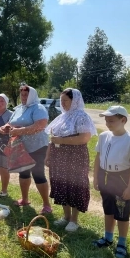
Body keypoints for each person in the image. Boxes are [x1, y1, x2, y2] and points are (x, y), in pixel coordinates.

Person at [45, 89, 97, 232]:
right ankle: (66, 217)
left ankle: (74, 220)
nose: (63, 104)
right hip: (58, 157)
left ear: (75, 101)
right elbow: (52, 138)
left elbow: (84, 138)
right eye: (61, 101)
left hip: (75, 157)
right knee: (62, 185)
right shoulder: (62, 117)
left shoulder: (81, 116)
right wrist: (48, 155)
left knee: (75, 185)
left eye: (66, 101)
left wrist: (62, 140)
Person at [92, 105, 130, 258]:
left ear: (123, 120)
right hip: (106, 177)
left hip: (122, 179)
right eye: (106, 120)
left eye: (111, 121)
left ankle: (122, 243)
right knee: (109, 210)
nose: (107, 124)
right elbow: (98, 157)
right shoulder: (104, 136)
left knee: (122, 213)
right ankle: (108, 237)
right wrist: (96, 177)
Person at [1, 85, 52, 214]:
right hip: (21, 146)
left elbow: (41, 125)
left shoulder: (38, 108)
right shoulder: (19, 109)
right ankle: (24, 199)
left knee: (38, 174)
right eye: (22, 95)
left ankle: (47, 205)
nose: (23, 97)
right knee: (23, 172)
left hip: (37, 146)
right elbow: (11, 122)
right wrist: (6, 127)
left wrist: (20, 130)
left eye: (26, 95)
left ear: (32, 95)